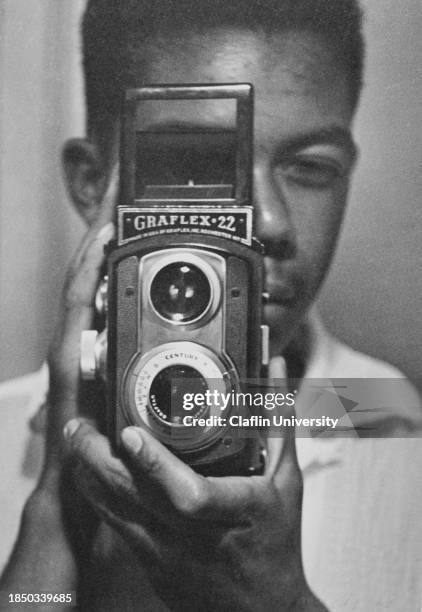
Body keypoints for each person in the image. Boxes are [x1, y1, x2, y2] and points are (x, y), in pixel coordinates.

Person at [1, 0, 421, 610]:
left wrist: (279, 602)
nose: (267, 222)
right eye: (199, 165)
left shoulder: (393, 418)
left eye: (310, 168)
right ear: (93, 183)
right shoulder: (9, 426)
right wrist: (57, 512)